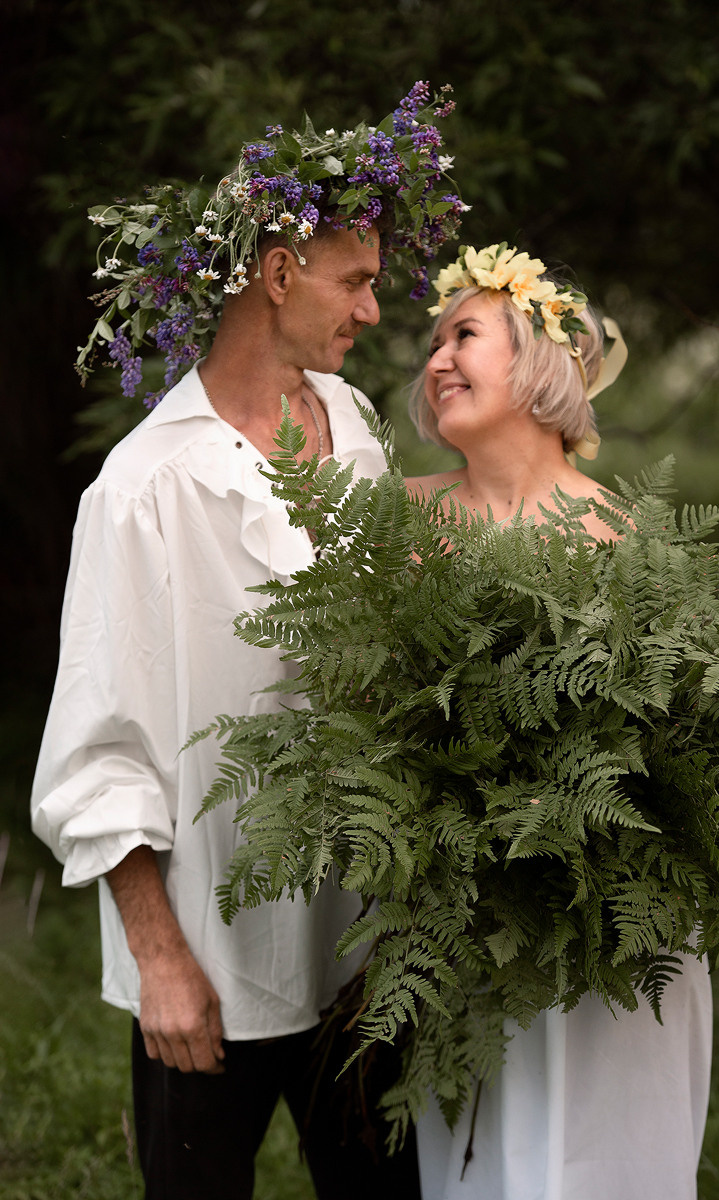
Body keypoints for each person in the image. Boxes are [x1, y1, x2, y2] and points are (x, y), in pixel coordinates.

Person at [30, 84, 463, 1200]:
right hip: (212, 963)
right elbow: (97, 753)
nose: (374, 309)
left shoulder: (352, 424)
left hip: (362, 948)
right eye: (355, 280)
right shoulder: (143, 488)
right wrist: (162, 962)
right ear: (277, 274)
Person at [404, 244, 713, 1200]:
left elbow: (680, 751)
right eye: (432, 345)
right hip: (462, 927)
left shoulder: (625, 537)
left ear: (537, 360)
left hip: (611, 940)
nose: (437, 359)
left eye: (463, 335)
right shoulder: (402, 523)